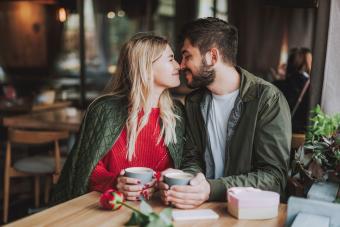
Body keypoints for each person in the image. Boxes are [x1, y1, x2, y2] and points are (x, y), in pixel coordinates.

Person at [159, 17, 291, 208]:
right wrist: (187, 184)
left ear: (212, 57)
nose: (181, 64)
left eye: (187, 56)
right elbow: (192, 158)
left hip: (250, 212)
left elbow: (274, 179)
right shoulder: (195, 102)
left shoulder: (267, 99)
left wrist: (211, 189)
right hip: (203, 208)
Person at [52, 33, 187, 204]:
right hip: (109, 206)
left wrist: (160, 182)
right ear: (147, 66)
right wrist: (116, 183)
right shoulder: (104, 110)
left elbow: (184, 166)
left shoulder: (177, 112)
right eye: (170, 59)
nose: (179, 65)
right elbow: (85, 169)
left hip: (161, 208)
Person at [275, 47, 312, 133]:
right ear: (305, 64)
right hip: (301, 132)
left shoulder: (278, 84)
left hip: (280, 130)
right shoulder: (310, 86)